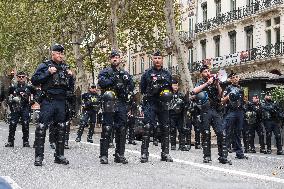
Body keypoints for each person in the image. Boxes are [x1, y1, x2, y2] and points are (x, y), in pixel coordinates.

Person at [31, 43, 74, 166]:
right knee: (42, 127)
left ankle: (59, 156)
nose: (60, 55)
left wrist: (71, 77)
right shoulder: (44, 65)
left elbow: (70, 87)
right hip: (48, 101)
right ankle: (39, 157)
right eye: (58, 53)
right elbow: (34, 80)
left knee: (61, 127)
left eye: (62, 53)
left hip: (61, 101)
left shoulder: (66, 68)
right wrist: (48, 73)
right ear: (53, 53)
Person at [98, 50, 134, 164]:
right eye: (113, 57)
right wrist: (113, 79)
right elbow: (102, 83)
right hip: (109, 102)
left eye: (117, 57)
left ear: (120, 60)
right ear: (110, 59)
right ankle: (103, 155)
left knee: (122, 129)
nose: (115, 59)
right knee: (107, 128)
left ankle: (120, 154)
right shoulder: (105, 72)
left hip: (121, 102)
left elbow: (131, 86)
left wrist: (126, 82)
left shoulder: (125, 73)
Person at [192, 65, 231, 164]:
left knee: (221, 133)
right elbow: (194, 91)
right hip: (205, 110)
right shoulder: (200, 83)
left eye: (208, 71)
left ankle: (223, 156)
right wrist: (206, 83)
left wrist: (217, 83)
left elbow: (221, 95)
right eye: (205, 71)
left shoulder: (214, 83)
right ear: (201, 74)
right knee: (206, 133)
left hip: (216, 110)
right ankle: (207, 156)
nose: (208, 73)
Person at [140, 50, 173, 163]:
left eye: (159, 58)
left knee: (165, 127)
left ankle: (165, 153)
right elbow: (142, 89)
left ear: (162, 59)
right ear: (152, 60)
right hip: (151, 102)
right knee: (148, 127)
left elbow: (170, 89)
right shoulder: (147, 73)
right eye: (155, 58)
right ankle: (144, 153)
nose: (157, 60)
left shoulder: (167, 74)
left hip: (163, 104)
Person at [5, 71, 36, 147]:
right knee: (12, 124)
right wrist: (10, 101)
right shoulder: (13, 87)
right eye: (19, 77)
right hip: (15, 108)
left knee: (25, 123)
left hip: (25, 107)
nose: (21, 78)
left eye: (23, 76)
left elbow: (37, 94)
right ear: (17, 77)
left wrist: (32, 101)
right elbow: (6, 95)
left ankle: (26, 141)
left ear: (25, 77)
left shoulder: (29, 87)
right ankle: (10, 141)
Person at [221, 72, 247, 160]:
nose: (236, 78)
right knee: (227, 131)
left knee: (238, 133)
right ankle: (224, 152)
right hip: (231, 112)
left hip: (239, 112)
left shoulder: (241, 89)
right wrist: (229, 95)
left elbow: (243, 100)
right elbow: (222, 100)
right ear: (231, 79)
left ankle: (239, 153)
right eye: (234, 77)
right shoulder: (228, 88)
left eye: (237, 77)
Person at [169, 79, 189, 151]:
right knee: (172, 130)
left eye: (177, 85)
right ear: (171, 86)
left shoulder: (181, 95)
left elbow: (186, 103)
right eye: (174, 85)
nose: (176, 87)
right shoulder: (168, 94)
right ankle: (173, 145)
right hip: (171, 114)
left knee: (181, 130)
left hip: (180, 115)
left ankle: (182, 145)